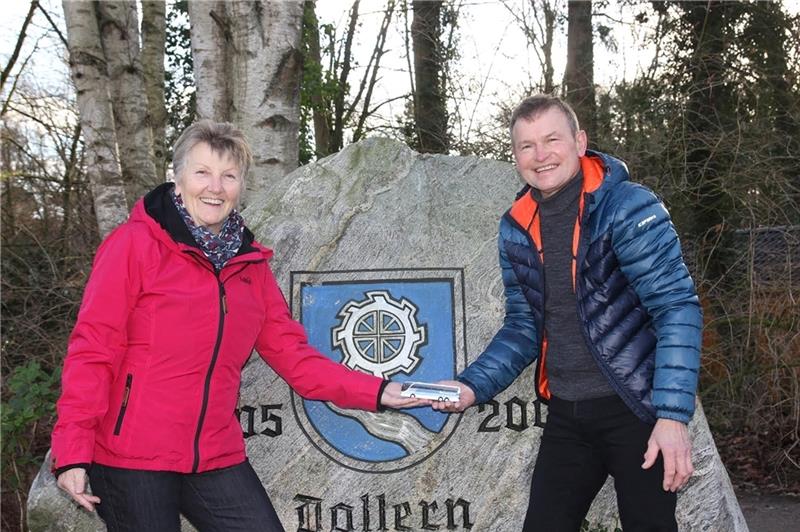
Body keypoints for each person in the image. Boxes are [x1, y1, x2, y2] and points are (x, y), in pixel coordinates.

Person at [51, 120, 420, 532]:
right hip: (130, 457)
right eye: (202, 172)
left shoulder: (250, 266)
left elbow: (296, 359)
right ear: (177, 178)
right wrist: (72, 451)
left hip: (213, 453)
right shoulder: (133, 246)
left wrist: (381, 390)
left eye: (229, 176)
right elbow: (93, 349)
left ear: (241, 185)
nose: (215, 187)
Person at [433, 94, 702, 531]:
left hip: (634, 410)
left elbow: (676, 308)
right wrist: (470, 387)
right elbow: (523, 326)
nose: (541, 156)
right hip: (567, 414)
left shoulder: (627, 206)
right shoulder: (516, 226)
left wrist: (672, 417)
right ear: (515, 155)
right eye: (527, 146)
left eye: (552, 139)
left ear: (580, 141)